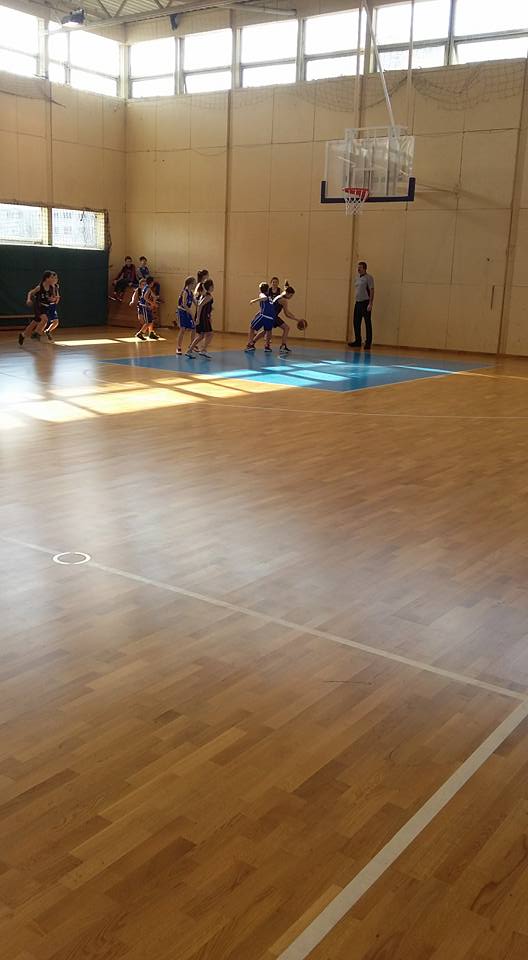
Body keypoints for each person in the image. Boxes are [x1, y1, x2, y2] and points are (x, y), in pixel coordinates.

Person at [19, 271, 56, 346]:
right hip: (38, 306)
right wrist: (28, 299)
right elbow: (30, 292)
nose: (53, 279)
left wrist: (52, 299)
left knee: (34, 323)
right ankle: (36, 334)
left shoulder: (52, 287)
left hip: (46, 307)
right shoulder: (39, 287)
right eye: (52, 277)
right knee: (45, 319)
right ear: (47, 278)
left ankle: (23, 335)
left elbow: (52, 298)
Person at [349, 261, 375, 350]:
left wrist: (370, 303)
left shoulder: (369, 278)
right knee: (356, 322)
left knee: (367, 323)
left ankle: (368, 343)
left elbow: (371, 290)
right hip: (358, 303)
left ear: (364, 268)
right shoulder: (357, 278)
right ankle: (358, 341)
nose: (358, 269)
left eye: (360, 267)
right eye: (358, 267)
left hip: (365, 303)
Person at [245, 282, 276, 353]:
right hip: (271, 317)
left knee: (252, 327)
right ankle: (267, 346)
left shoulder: (262, 294)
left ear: (260, 289)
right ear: (268, 289)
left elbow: (263, 298)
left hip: (264, 316)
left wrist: (254, 300)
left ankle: (250, 344)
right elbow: (268, 307)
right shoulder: (270, 297)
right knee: (268, 330)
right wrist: (258, 313)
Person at [187, 279, 214, 358]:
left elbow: (205, 307)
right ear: (210, 287)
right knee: (210, 334)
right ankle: (203, 350)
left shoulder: (205, 295)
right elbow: (199, 306)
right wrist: (198, 318)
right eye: (212, 286)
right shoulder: (208, 296)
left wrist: (210, 313)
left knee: (201, 336)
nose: (213, 287)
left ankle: (190, 351)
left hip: (204, 317)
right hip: (203, 318)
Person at [131, 276, 160, 341]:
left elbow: (154, 296)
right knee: (148, 322)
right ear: (151, 282)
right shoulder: (148, 288)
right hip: (144, 306)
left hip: (145, 306)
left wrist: (154, 301)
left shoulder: (147, 288)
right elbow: (145, 297)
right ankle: (140, 333)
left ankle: (151, 333)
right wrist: (153, 303)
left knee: (151, 320)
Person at [176, 276, 195, 355]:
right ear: (190, 284)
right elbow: (184, 304)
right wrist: (191, 313)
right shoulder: (185, 292)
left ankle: (192, 346)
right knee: (182, 329)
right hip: (182, 311)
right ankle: (178, 347)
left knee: (194, 328)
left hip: (187, 311)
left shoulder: (191, 293)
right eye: (194, 283)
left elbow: (196, 302)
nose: (195, 285)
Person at [42, 272, 60, 341]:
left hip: (53, 306)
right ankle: (37, 334)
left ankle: (48, 331)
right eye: (54, 278)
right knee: (44, 321)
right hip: (46, 306)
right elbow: (48, 298)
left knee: (56, 322)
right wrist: (52, 298)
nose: (56, 279)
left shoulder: (56, 286)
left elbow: (57, 296)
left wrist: (57, 298)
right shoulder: (47, 286)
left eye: (56, 278)